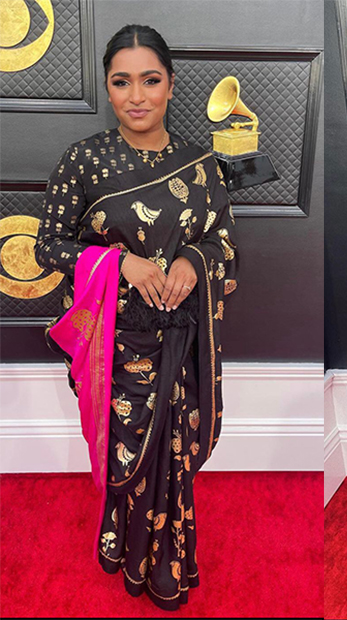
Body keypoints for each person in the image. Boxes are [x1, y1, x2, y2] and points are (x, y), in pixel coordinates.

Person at [34, 24, 239, 611]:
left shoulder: (200, 163)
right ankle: (126, 550)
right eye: (122, 82)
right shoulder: (84, 161)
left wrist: (194, 262)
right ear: (107, 88)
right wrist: (119, 263)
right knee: (130, 455)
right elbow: (48, 246)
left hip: (182, 338)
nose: (137, 96)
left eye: (150, 80)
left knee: (173, 457)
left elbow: (225, 241)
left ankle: (168, 564)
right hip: (117, 345)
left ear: (170, 84)